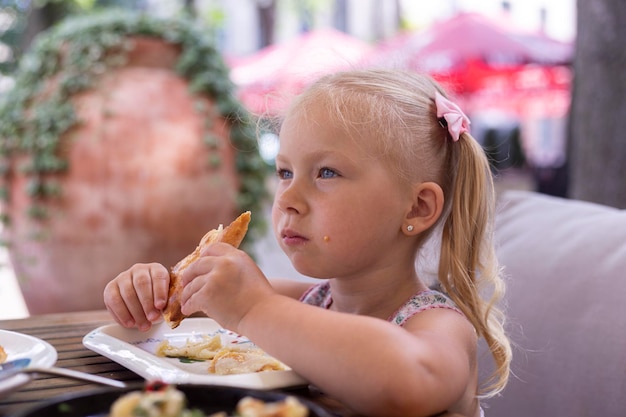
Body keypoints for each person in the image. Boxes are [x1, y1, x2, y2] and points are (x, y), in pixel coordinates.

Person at [104, 69, 511, 417]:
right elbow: (190, 307)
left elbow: (406, 382)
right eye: (284, 172)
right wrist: (150, 290)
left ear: (416, 209)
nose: (287, 200)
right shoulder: (303, 303)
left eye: (326, 173)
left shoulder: (439, 325)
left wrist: (253, 308)